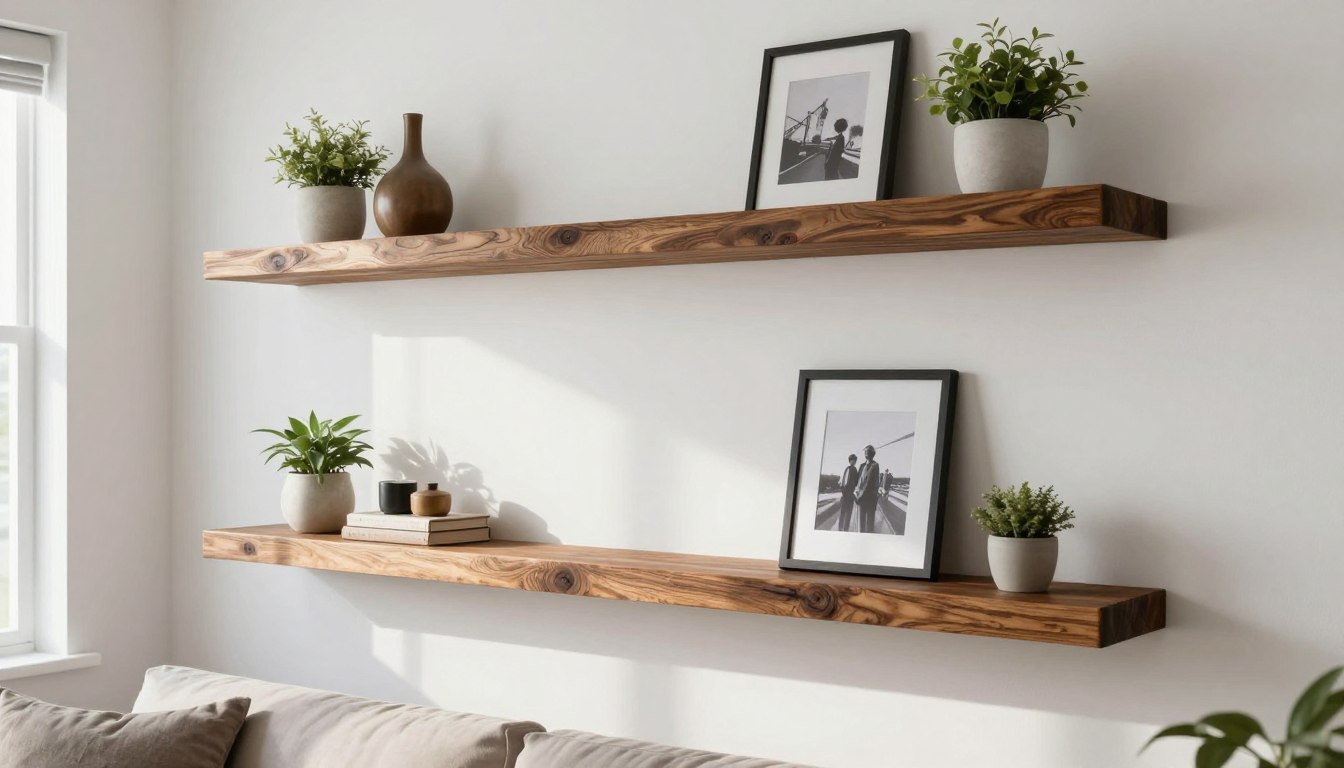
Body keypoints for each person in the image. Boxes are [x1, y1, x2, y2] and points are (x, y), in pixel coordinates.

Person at [853, 444, 881, 533]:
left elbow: (870, 484)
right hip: (861, 499)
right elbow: (856, 480)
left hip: (869, 500)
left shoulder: (875, 465)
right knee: (861, 524)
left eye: (867, 451)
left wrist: (861, 496)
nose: (865, 453)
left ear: (872, 453)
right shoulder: (861, 466)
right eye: (865, 451)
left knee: (869, 526)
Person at [836, 454, 859, 531]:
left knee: (844, 513)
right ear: (850, 460)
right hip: (848, 495)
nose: (855, 462)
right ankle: (844, 529)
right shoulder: (853, 469)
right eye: (854, 460)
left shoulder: (847, 469)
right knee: (847, 513)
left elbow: (844, 482)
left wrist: (844, 491)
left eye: (855, 460)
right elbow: (855, 482)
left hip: (846, 494)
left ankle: (842, 528)